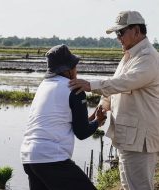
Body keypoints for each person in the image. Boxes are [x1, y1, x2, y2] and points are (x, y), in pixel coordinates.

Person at [69, 11, 159, 190]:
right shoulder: (129, 57)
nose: (118, 37)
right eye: (116, 33)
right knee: (128, 186)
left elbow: (124, 82)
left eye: (120, 32)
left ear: (136, 31)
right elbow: (116, 90)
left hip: (140, 139)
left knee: (139, 187)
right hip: (128, 136)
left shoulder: (148, 58)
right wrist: (102, 107)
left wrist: (91, 85)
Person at [20, 44, 106, 190]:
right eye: (75, 66)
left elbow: (60, 121)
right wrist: (98, 122)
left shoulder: (44, 86)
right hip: (52, 159)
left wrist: (91, 118)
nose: (76, 70)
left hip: (29, 157)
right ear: (68, 70)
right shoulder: (74, 88)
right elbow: (82, 132)